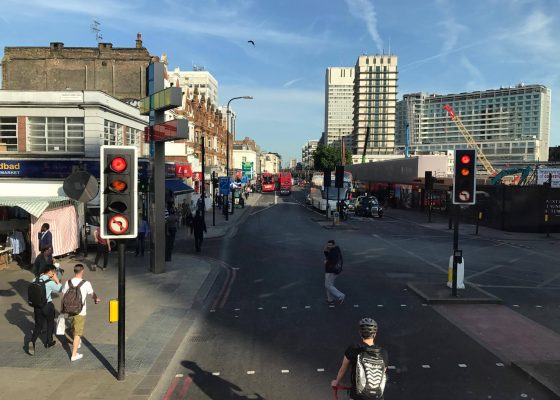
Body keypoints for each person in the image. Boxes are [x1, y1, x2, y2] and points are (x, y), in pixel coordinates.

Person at [331, 318, 388, 400]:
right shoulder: (383, 353)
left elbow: (343, 369)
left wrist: (336, 382)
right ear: (375, 333)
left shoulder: (353, 348)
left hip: (357, 396)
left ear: (360, 333)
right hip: (377, 397)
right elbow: (383, 372)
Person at [61, 263, 100, 361]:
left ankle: (76, 343)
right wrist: (96, 299)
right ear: (82, 271)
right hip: (80, 311)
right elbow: (92, 294)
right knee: (78, 333)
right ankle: (74, 355)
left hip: (69, 309)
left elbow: (63, 295)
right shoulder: (86, 283)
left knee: (74, 326)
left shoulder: (68, 282)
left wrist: (63, 308)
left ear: (74, 271)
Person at [27, 264, 62, 355]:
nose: (54, 273)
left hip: (37, 306)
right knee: (50, 323)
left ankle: (32, 341)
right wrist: (57, 280)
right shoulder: (49, 282)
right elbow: (60, 289)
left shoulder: (35, 279)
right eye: (53, 272)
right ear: (50, 271)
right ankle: (48, 342)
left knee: (38, 325)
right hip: (47, 306)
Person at [324, 239, 345, 305]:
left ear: (334, 245)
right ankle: (330, 299)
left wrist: (326, 262)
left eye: (330, 245)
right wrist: (325, 251)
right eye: (328, 245)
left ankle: (341, 296)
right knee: (330, 285)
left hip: (331, 271)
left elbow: (333, 261)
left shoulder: (334, 252)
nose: (329, 246)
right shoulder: (335, 250)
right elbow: (328, 256)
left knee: (327, 285)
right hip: (333, 270)